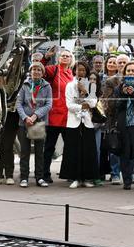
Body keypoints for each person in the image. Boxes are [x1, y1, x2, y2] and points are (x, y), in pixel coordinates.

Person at [108, 61, 134, 190]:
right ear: (124, 73)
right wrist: (124, 95)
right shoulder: (119, 88)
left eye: (133, 70)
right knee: (125, 154)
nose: (131, 73)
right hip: (123, 125)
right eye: (128, 71)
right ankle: (127, 181)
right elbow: (116, 107)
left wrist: (133, 94)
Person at [62, 60, 98, 188]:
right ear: (74, 71)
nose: (81, 72)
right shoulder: (69, 85)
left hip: (87, 122)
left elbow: (93, 103)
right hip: (74, 121)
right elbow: (69, 105)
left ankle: (87, 178)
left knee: (87, 150)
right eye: (78, 69)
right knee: (74, 150)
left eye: (83, 70)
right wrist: (82, 106)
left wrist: (85, 91)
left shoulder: (91, 85)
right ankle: (75, 178)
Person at [40, 48, 73, 186]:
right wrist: (46, 57)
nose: (65, 58)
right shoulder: (53, 70)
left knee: (70, 147)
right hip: (54, 115)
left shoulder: (72, 73)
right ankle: (44, 173)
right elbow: (39, 69)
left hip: (69, 116)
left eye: (68, 56)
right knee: (49, 147)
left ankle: (70, 174)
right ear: (59, 58)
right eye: (63, 56)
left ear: (71, 59)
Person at [16, 63, 51, 188]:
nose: (36, 72)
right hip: (24, 122)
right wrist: (25, 117)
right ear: (30, 72)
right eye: (34, 70)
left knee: (39, 151)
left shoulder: (47, 86)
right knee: (24, 151)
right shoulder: (24, 85)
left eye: (38, 70)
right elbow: (18, 103)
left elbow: (48, 104)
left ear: (42, 73)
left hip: (39, 122)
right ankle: (24, 177)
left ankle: (39, 177)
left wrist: (35, 116)